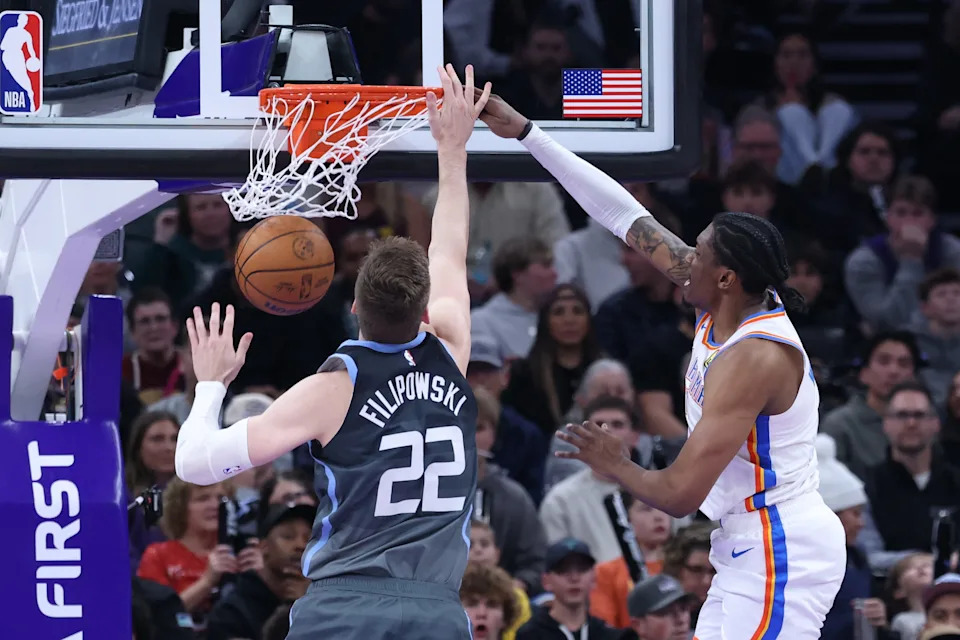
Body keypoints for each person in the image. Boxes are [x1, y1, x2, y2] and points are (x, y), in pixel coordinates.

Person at [480, 94, 847, 638]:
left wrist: (616, 463)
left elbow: (679, 496)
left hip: (780, 544)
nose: (682, 258)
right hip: (746, 541)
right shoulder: (723, 296)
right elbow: (623, 215)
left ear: (726, 278)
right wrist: (529, 133)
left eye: (697, 253)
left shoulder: (754, 357)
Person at [174, 65, 491, 639]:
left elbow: (195, 465)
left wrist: (211, 385)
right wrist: (453, 150)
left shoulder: (333, 389)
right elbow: (449, 248)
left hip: (346, 609)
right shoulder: (452, 349)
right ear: (425, 310)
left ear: (352, 304)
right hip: (437, 612)